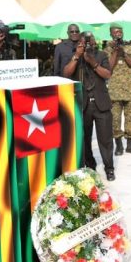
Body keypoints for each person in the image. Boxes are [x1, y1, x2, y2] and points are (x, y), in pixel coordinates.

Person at [54, 25, 115, 181]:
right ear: (79, 43)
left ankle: (109, 168)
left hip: (101, 103)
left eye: (91, 39)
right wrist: (76, 56)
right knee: (85, 139)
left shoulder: (101, 55)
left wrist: (93, 63)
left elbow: (107, 74)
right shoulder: (76, 56)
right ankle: (91, 166)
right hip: (84, 104)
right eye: (84, 40)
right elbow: (66, 73)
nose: (88, 42)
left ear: (95, 41)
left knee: (106, 139)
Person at [104, 24, 131, 157]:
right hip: (114, 90)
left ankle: (130, 145)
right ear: (111, 34)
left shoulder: (130, 47)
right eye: (115, 32)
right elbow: (108, 67)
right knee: (115, 119)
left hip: (130, 89)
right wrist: (115, 52)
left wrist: (124, 54)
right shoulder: (107, 49)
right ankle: (118, 145)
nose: (118, 34)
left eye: (120, 31)